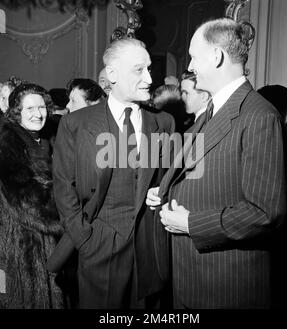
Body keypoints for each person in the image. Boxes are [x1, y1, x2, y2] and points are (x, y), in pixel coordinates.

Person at [147, 18, 287, 309]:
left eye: (193, 56)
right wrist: (164, 193)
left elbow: (265, 212)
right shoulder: (210, 111)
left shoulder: (259, 116)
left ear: (216, 56)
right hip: (191, 279)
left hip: (226, 286)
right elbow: (198, 173)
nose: (191, 65)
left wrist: (190, 223)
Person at [49, 37, 175, 309]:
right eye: (139, 70)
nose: (150, 78)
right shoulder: (76, 124)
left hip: (150, 251)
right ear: (113, 74)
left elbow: (169, 179)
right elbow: (63, 185)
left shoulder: (163, 122)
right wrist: (85, 238)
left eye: (149, 69)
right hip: (98, 244)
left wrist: (161, 193)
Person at [0, 83, 64, 308]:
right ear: (16, 112)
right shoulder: (6, 140)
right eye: (29, 109)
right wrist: (68, 211)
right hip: (18, 242)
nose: (38, 114)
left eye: (42, 107)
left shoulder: (48, 137)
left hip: (46, 239)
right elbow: (26, 199)